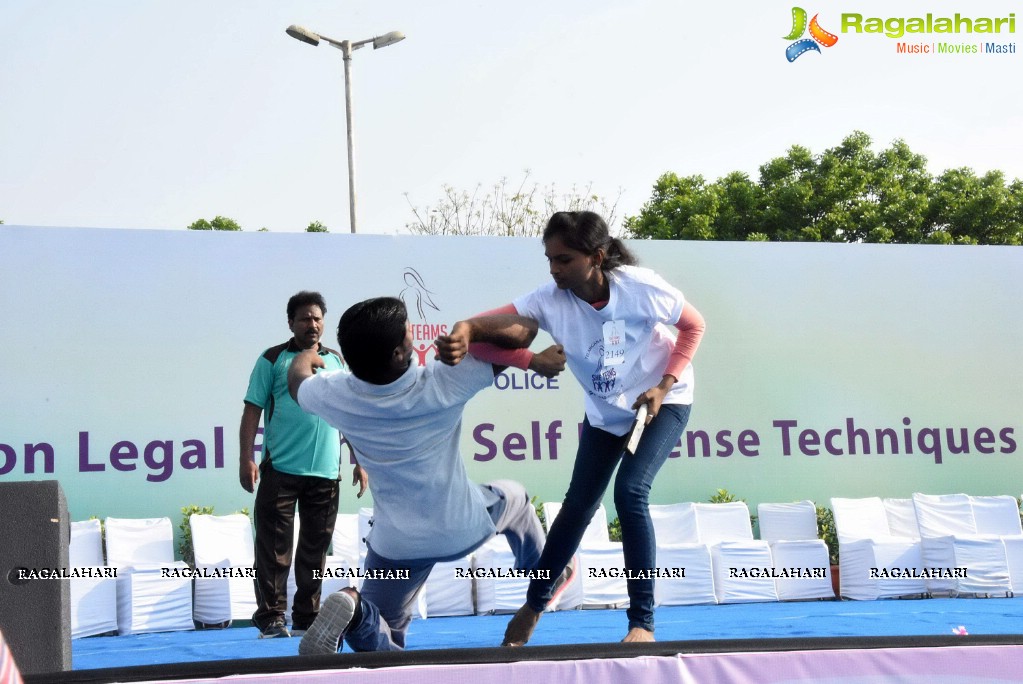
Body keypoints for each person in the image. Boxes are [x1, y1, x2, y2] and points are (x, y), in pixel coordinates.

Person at [449, 210, 706, 645]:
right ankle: (533, 606)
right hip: (606, 414)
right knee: (577, 507)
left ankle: (642, 623)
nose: (554, 268)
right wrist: (467, 328)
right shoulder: (550, 298)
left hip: (661, 404)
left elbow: (693, 326)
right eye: (549, 258)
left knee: (630, 492)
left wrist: (665, 385)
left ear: (597, 257)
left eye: (564, 259)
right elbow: (504, 324)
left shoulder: (641, 288)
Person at [287, 296, 568, 654]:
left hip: (396, 546)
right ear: (398, 356)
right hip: (461, 527)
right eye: (408, 335)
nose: (413, 338)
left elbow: (297, 381)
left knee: (385, 633)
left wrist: (306, 356)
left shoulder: (335, 393)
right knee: (513, 495)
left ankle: (358, 616)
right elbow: (525, 330)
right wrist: (470, 329)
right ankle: (544, 572)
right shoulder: (444, 380)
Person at [239, 290, 368, 639]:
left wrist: (358, 459)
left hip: (326, 473)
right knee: (274, 550)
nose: (312, 324)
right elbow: (252, 408)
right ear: (291, 323)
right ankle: (271, 618)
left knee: (314, 551)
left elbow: (348, 412)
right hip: (280, 468)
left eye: (317, 318)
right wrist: (246, 458)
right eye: (304, 318)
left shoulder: (338, 362)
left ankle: (307, 618)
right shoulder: (272, 359)